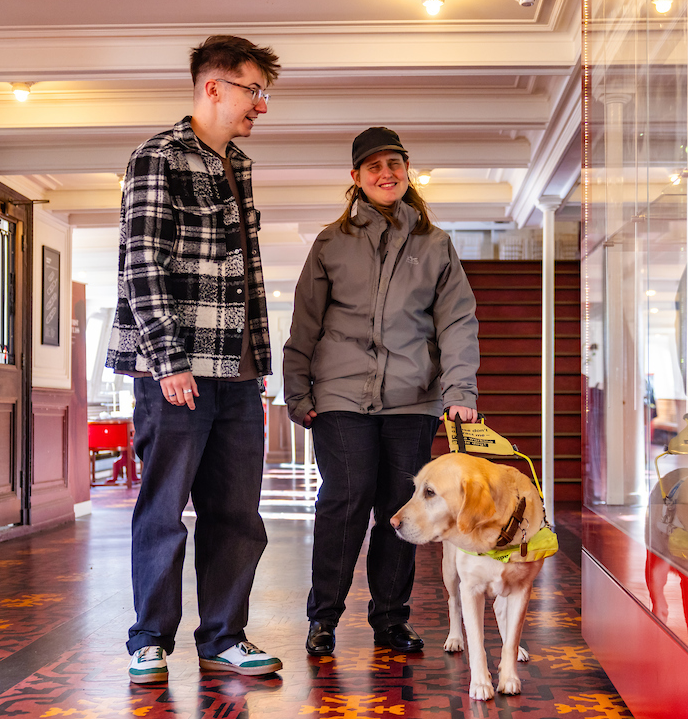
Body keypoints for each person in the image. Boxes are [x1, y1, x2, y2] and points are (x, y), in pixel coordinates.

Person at [106, 35, 283, 683]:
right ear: (214, 87)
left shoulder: (238, 165)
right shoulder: (159, 157)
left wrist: (257, 370)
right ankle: (149, 639)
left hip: (237, 376)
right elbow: (141, 266)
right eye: (253, 90)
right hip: (174, 372)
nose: (261, 105)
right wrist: (168, 360)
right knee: (163, 509)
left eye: (264, 93)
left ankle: (224, 637)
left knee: (237, 512)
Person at [283, 126, 481, 656]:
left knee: (402, 510)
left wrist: (459, 386)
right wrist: (296, 392)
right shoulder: (330, 242)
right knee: (345, 501)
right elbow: (305, 323)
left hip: (412, 398)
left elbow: (457, 321)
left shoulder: (434, 244)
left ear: (406, 171)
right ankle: (323, 618)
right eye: (373, 167)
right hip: (342, 396)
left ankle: (390, 620)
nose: (385, 174)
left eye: (394, 164)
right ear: (356, 178)